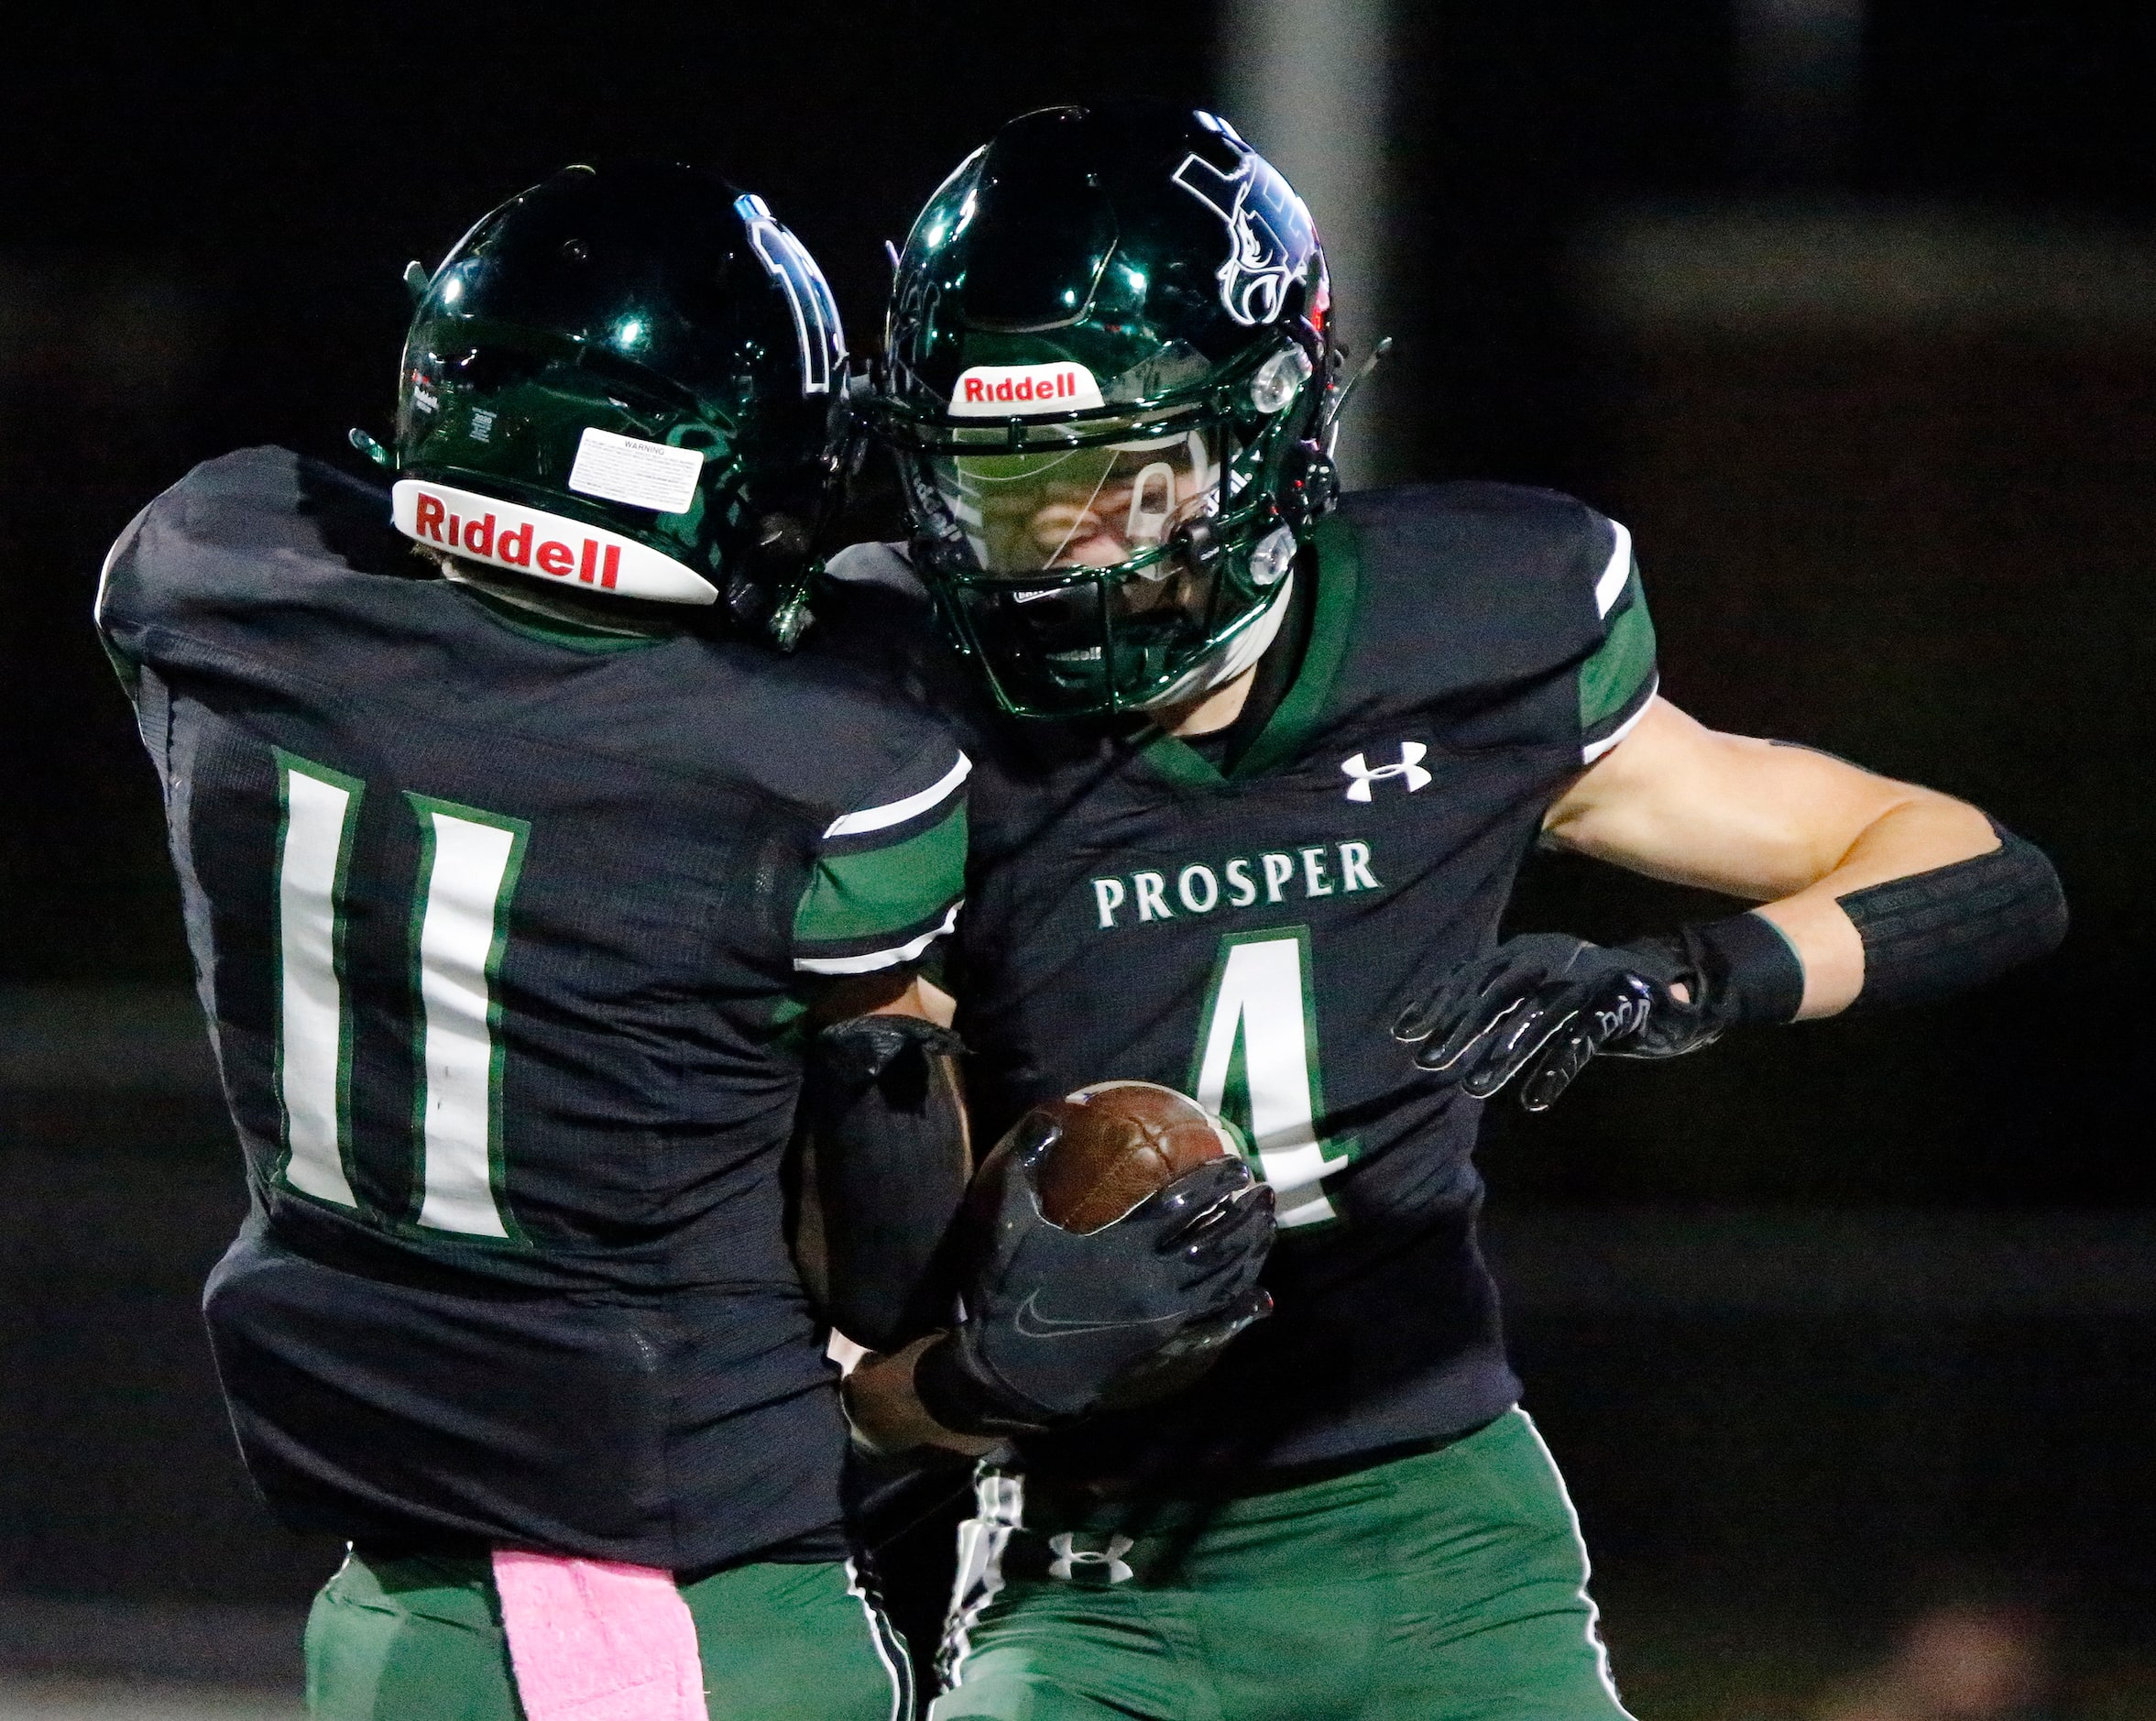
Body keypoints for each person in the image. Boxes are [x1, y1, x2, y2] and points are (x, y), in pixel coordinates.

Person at [830, 101, 2070, 1721]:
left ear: (1263, 428)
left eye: (1119, 477)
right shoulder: (889, 717)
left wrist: (1678, 983)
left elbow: (1975, 866)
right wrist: (962, 1381)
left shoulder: (1465, 627)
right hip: (1089, 1574)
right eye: (1007, 490)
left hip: (1439, 1541)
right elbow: (847, 1352)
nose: (1062, 544)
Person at [94, 160, 986, 1721]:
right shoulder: (818, 758)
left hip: (395, 1593)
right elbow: (886, 1205)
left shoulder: (207, 579)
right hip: (675, 1589)